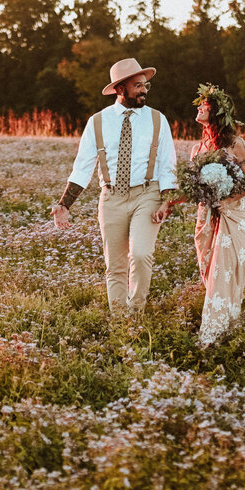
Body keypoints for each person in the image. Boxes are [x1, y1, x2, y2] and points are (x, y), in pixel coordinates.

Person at [51, 58, 178, 317]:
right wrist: (64, 204)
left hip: (148, 193)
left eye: (145, 85)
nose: (144, 90)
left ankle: (137, 311)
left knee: (141, 255)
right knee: (115, 266)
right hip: (111, 198)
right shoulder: (98, 122)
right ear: (120, 89)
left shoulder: (158, 120)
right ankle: (121, 323)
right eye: (137, 85)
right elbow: (82, 167)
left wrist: (167, 201)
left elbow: (168, 165)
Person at [189, 85, 245, 347]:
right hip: (206, 217)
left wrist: (223, 200)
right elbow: (191, 187)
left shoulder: (236, 145)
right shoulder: (197, 149)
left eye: (203, 104)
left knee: (222, 272)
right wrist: (166, 204)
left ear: (215, 110)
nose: (198, 107)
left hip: (230, 216)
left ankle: (210, 336)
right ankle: (228, 329)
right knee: (209, 271)